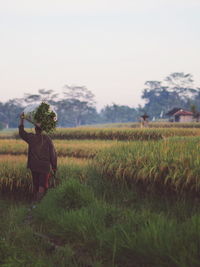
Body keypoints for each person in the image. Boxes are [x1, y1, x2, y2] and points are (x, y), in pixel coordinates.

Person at [19, 113, 57, 202]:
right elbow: (53, 154)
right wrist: (54, 167)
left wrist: (22, 119)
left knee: (36, 184)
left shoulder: (31, 137)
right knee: (42, 185)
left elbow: (21, 132)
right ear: (42, 130)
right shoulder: (47, 139)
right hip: (44, 167)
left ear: (35, 129)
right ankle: (38, 203)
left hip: (34, 165)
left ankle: (34, 203)